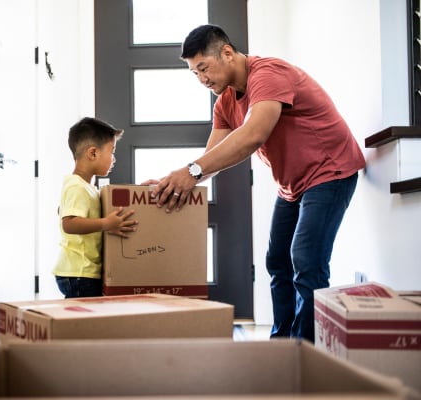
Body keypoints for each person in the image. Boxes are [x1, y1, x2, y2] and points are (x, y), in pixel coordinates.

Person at [149, 24, 365, 342]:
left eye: (204, 68)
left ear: (226, 52)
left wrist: (191, 172)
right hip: (293, 184)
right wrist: (176, 181)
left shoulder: (267, 74)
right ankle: (281, 344)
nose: (202, 79)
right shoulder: (224, 104)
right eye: (195, 73)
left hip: (330, 172)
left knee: (306, 260)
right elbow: (212, 158)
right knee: (277, 261)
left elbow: (253, 135)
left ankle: (306, 350)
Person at [53, 117, 138, 298]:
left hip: (83, 271)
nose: (113, 159)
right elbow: (69, 224)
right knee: (83, 321)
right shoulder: (76, 186)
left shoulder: (88, 187)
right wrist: (107, 223)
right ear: (93, 153)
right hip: (78, 272)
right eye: (111, 152)